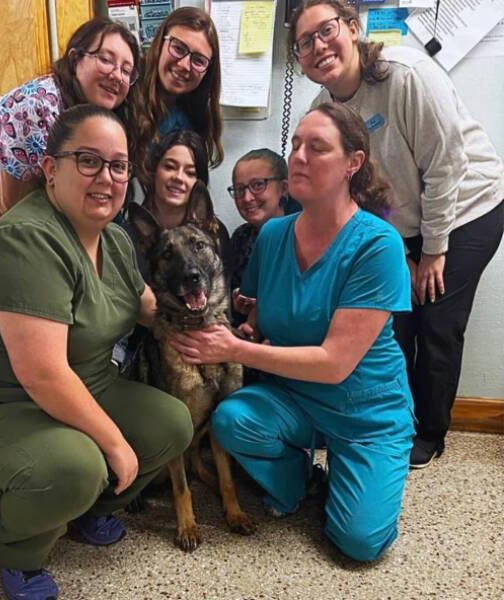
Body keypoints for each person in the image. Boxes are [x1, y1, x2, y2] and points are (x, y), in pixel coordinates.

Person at [0, 105, 193, 600]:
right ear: (51, 169)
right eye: (88, 160)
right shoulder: (25, 239)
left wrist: (211, 326)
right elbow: (43, 374)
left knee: (172, 424)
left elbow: (147, 307)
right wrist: (113, 443)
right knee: (79, 465)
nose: (106, 178)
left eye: (118, 166)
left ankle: (87, 509)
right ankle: (15, 551)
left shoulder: (113, 239)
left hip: (86, 383)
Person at [170, 103, 415, 562]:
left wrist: (236, 348)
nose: (298, 156)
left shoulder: (378, 246)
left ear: (352, 164)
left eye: (316, 147)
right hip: (294, 399)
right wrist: (247, 322)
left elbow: (335, 362)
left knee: (359, 543)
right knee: (231, 420)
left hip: (365, 412)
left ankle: (358, 468)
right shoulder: (273, 235)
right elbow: (262, 311)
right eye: (296, 144)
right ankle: (304, 480)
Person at [288, 0, 504, 469]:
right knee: (391, 322)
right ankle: (392, 420)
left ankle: (428, 433)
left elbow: (447, 166)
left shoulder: (405, 74)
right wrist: (396, 249)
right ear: (300, 60)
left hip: (467, 207)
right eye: (305, 42)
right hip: (403, 221)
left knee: (437, 321)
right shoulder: (321, 110)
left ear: (352, 27)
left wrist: (432, 250)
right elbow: (356, 191)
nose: (318, 46)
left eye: (326, 31)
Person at [0, 18, 140, 243]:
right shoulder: (34, 106)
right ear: (74, 59)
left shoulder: (97, 117)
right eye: (106, 60)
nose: (117, 75)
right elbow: (13, 214)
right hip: (1, 238)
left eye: (126, 71)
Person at [114, 129, 231, 371]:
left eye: (190, 172)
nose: (179, 177)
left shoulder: (214, 234)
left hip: (205, 344)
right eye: (170, 166)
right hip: (138, 350)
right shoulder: (123, 236)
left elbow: (220, 303)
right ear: (153, 171)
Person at [132, 7, 223, 186]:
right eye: (178, 48)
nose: (184, 65)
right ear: (159, 44)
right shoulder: (125, 91)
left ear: (208, 72)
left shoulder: (189, 124)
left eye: (198, 60)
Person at [227, 148, 297, 325]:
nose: (247, 197)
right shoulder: (241, 237)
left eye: (258, 185)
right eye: (239, 189)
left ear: (284, 188)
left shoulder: (302, 234)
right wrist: (238, 303)